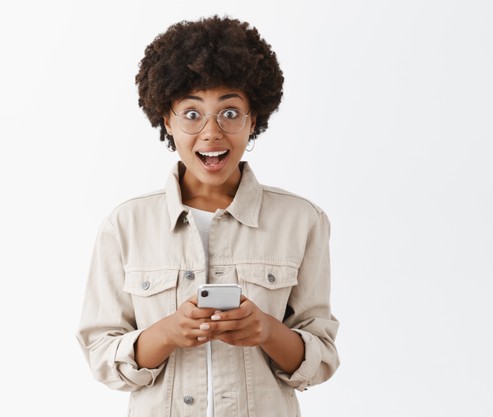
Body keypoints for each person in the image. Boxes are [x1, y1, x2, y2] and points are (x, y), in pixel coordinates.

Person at [76, 15, 340, 417]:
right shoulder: (125, 225)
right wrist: (166, 333)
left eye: (230, 112)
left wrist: (267, 331)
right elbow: (100, 354)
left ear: (254, 120)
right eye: (192, 112)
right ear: (167, 119)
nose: (212, 133)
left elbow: (320, 359)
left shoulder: (302, 221)